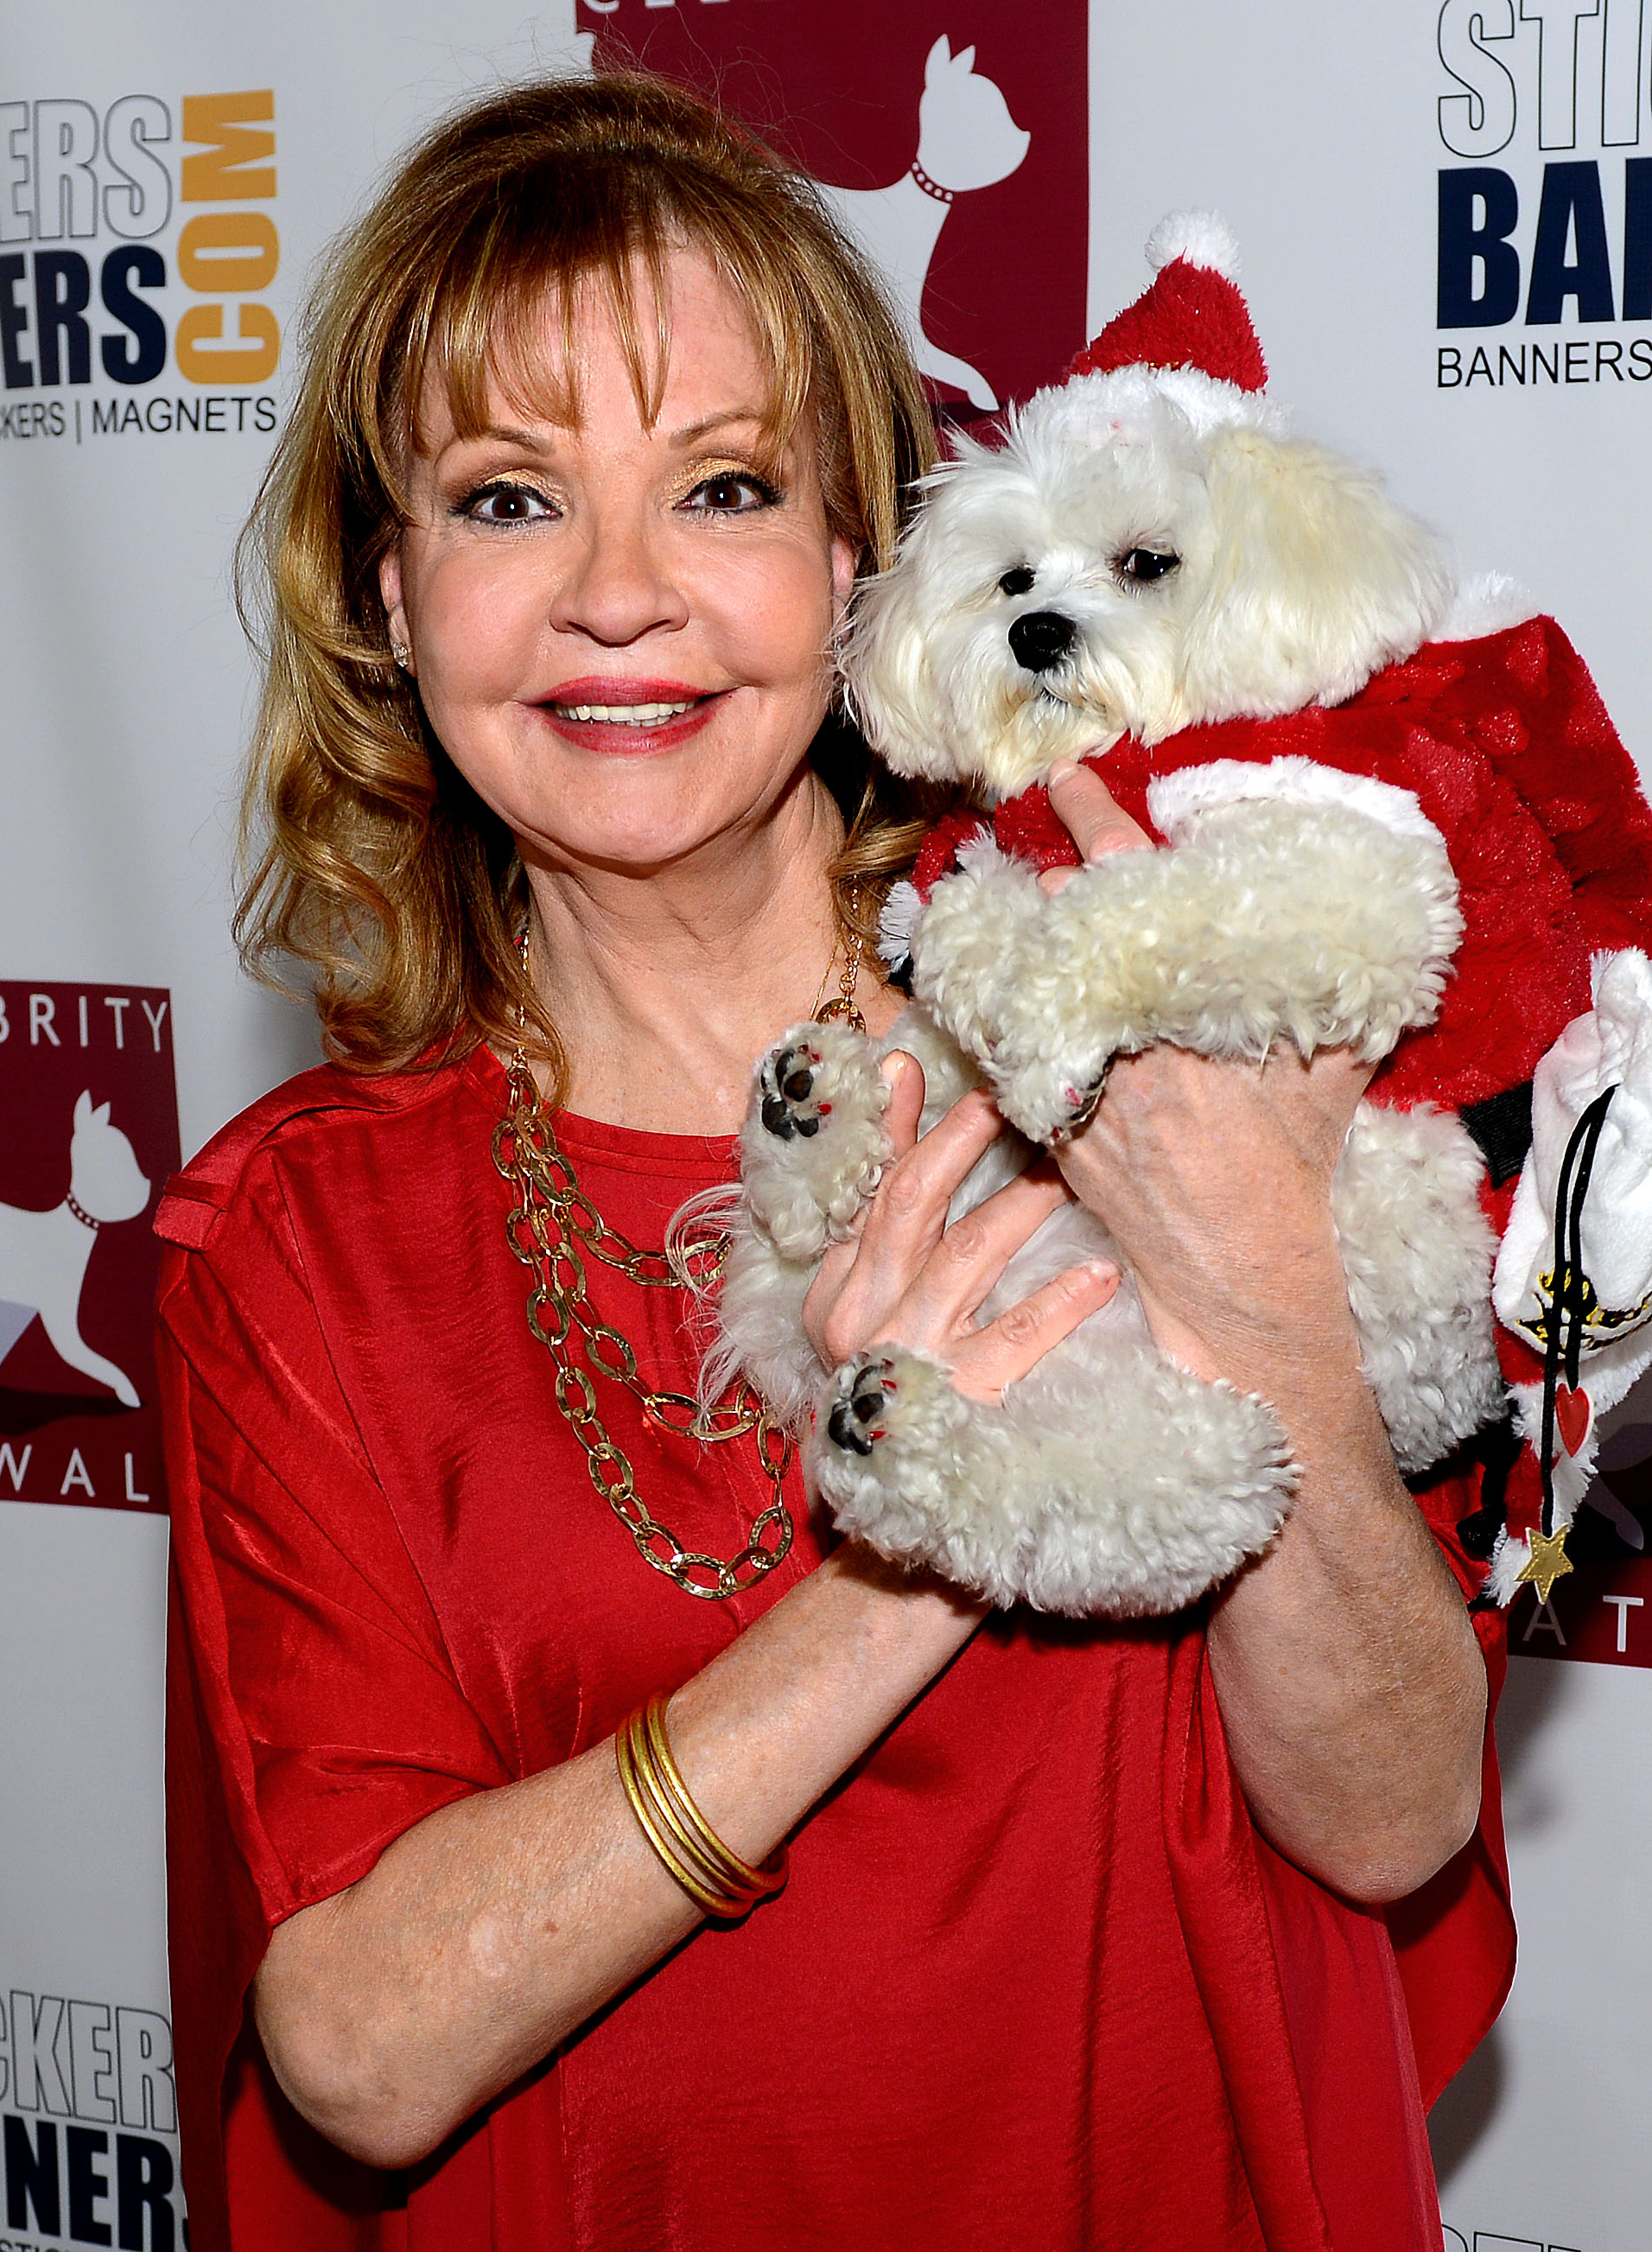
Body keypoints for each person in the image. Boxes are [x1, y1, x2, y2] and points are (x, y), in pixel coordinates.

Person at [155, 73, 1514, 2252]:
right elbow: (358, 2049)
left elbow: (1390, 1818)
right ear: (391, 600)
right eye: (507, 500)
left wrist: (1249, 1278)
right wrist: (907, 1560)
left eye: (719, 486)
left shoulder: (1177, 1030)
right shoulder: (293, 1240)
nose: (617, 597)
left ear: (857, 563)